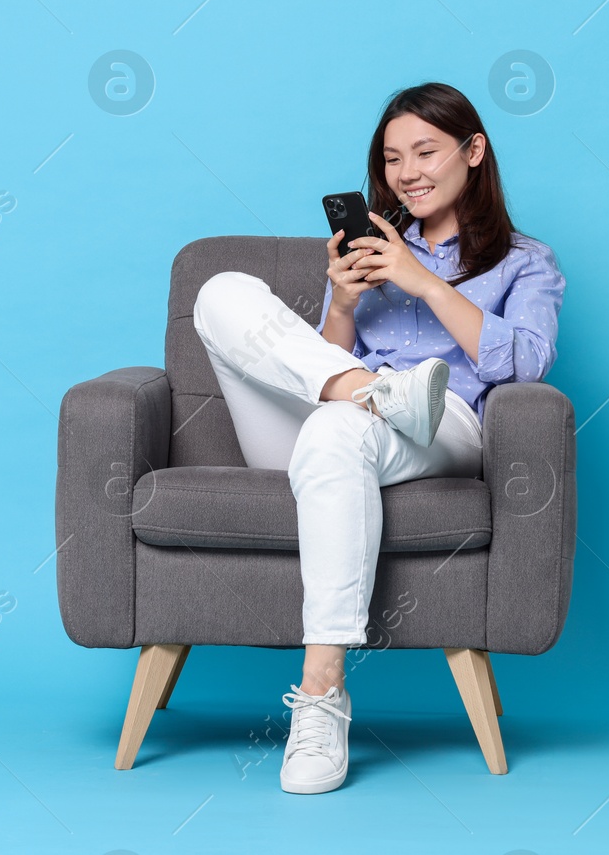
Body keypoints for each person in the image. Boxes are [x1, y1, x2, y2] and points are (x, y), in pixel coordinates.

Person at [191, 81, 566, 794]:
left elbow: (529, 361)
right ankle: (371, 394)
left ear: (474, 151)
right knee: (222, 292)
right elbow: (322, 356)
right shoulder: (374, 246)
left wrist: (423, 281)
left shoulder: (525, 261)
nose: (408, 172)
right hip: (345, 413)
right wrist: (344, 302)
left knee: (341, 430)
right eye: (393, 158)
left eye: (426, 151)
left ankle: (322, 696)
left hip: (442, 425)